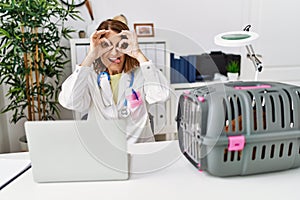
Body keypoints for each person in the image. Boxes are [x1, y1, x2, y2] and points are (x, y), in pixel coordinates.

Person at [59, 19, 170, 143]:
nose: (114, 52)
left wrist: (138, 54)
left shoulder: (142, 75)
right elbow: (69, 101)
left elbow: (161, 95)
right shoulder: (90, 77)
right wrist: (91, 55)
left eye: (120, 45)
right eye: (106, 45)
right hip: (103, 149)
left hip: (139, 148)